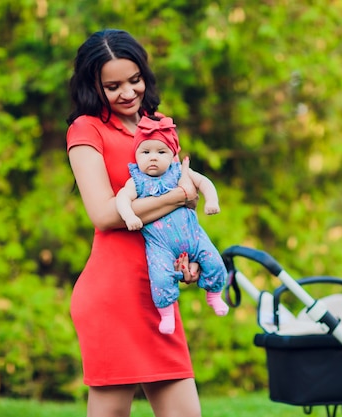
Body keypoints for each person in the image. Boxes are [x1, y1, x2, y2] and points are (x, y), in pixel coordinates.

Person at [66, 29, 203, 417]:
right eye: (113, 86)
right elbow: (106, 214)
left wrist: (187, 258)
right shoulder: (86, 129)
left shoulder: (159, 125)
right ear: (94, 86)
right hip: (113, 295)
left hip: (158, 293)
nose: (127, 93)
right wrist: (179, 195)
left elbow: (179, 214)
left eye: (134, 80)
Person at [116, 115, 228, 334]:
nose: (153, 158)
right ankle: (166, 314)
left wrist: (211, 200)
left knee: (215, 261)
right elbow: (122, 198)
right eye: (145, 152)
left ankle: (214, 295)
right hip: (160, 246)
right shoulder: (137, 181)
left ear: (172, 154)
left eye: (161, 152)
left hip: (194, 237)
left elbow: (204, 182)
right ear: (136, 154)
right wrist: (129, 216)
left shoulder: (178, 172)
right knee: (159, 277)